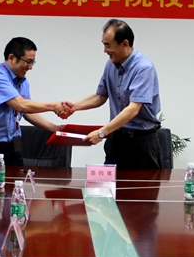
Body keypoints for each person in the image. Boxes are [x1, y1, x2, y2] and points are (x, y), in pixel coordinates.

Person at [67, 19, 162, 169]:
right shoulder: (110, 64)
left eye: (108, 45)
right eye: (104, 45)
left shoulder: (143, 67)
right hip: (117, 139)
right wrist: (74, 106)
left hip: (142, 141)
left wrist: (101, 133)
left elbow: (133, 109)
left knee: (144, 184)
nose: (105, 50)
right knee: (109, 182)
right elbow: (100, 96)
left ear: (125, 44)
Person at [0, 37, 71, 166]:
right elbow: (20, 105)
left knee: (19, 179)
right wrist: (54, 106)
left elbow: (27, 111)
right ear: (11, 58)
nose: (30, 67)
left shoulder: (22, 81)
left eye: (33, 62)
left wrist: (55, 128)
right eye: (28, 62)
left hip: (13, 147)